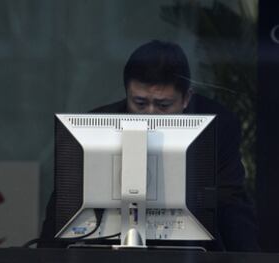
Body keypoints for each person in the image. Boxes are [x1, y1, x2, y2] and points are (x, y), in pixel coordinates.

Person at [40, 40, 259, 251]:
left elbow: (230, 200)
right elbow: (65, 201)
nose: (150, 114)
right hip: (109, 250)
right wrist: (45, 255)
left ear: (186, 99)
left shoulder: (218, 125)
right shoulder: (94, 127)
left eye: (163, 105)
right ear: (127, 94)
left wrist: (248, 258)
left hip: (192, 251)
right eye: (140, 103)